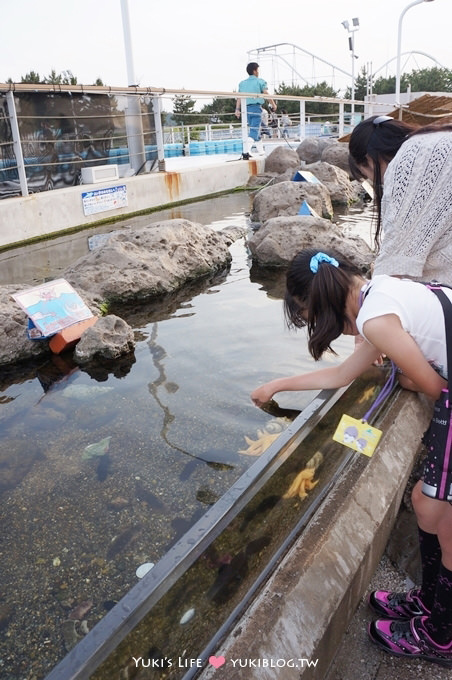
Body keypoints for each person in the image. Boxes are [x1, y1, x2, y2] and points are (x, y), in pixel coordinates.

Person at [251, 248, 452, 667]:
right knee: (425, 504)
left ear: (318, 304)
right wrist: (277, 385)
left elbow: (435, 387)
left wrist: (406, 376)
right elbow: (343, 375)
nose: (313, 324)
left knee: (445, 521)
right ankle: (430, 602)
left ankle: (441, 636)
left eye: (307, 315)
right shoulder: (381, 292)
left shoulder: (374, 320)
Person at [348, 115, 452, 285]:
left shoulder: (408, 159)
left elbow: (395, 260)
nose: (381, 183)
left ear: (368, 160)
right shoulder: (429, 142)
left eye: (367, 175)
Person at [235, 62, 276, 151]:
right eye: (258, 70)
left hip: (246, 109)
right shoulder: (260, 81)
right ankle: (246, 152)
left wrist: (237, 109)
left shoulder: (242, 83)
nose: (258, 72)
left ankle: (261, 151)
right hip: (256, 109)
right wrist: (273, 104)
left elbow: (239, 97)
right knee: (254, 131)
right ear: (254, 71)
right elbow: (266, 94)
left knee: (256, 131)